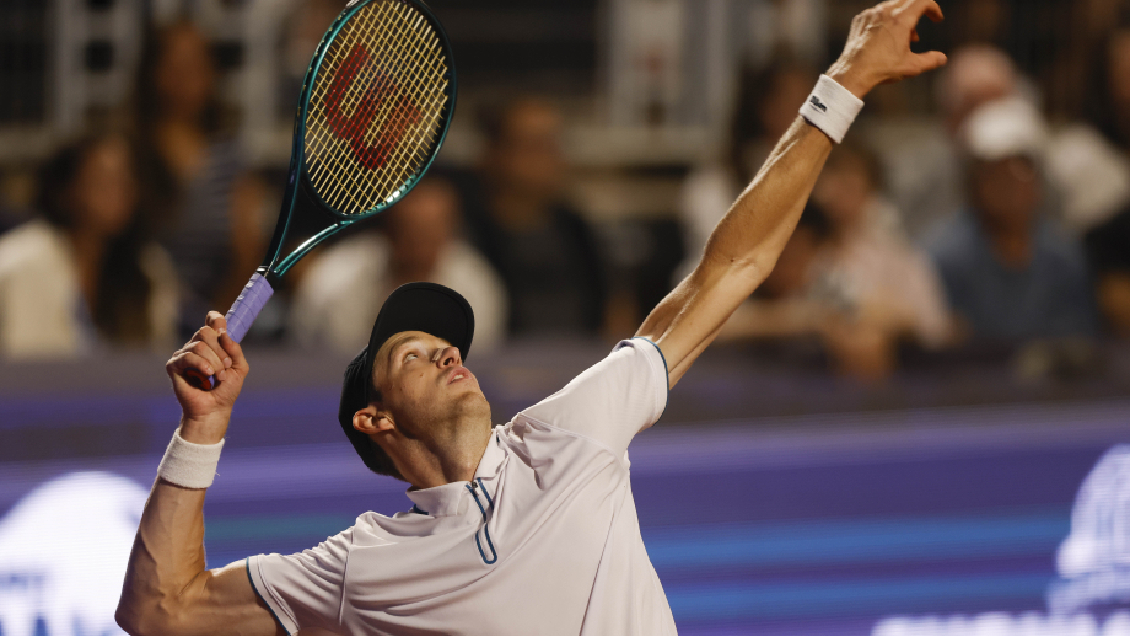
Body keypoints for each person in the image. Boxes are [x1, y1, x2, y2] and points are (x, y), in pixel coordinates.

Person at [115, 2, 947, 634]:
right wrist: (201, 429)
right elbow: (163, 611)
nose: (447, 354)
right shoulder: (359, 565)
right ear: (374, 419)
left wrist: (839, 88)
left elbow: (726, 272)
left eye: (447, 343)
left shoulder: (567, 433)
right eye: (413, 352)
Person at [132, 20, 265, 338]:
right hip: (142, 320)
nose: (186, 78)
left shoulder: (231, 158)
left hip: (218, 319)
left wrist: (214, 329)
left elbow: (248, 253)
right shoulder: (131, 153)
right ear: (152, 72)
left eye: (196, 65)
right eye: (175, 66)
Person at [929, 97, 1098, 345]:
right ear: (972, 184)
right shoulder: (942, 259)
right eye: (992, 175)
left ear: (1038, 182)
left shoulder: (1064, 256)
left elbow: (1082, 340)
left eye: (1018, 173)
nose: (1006, 187)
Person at [0, 132, 178, 358]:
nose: (117, 192)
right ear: (67, 188)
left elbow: (157, 369)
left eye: (125, 180)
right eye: (104, 180)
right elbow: (20, 370)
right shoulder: (19, 264)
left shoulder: (149, 270)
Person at [291, 178, 507, 353]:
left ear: (451, 231)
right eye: (410, 229)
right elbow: (325, 361)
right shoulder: (336, 280)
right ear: (388, 228)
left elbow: (477, 366)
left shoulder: (478, 287)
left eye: (431, 230)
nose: (419, 243)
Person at [456, 96, 606, 339]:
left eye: (554, 145)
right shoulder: (465, 238)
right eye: (534, 147)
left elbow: (614, 317)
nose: (552, 158)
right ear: (494, 154)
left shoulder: (577, 229)